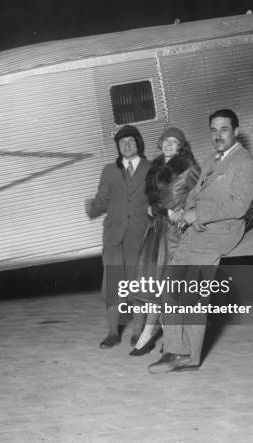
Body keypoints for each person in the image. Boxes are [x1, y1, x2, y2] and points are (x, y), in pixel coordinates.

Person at [148, 109, 253, 372]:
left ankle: (183, 354)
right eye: (213, 130)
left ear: (236, 131)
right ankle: (181, 352)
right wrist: (180, 211)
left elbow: (238, 206)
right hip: (195, 230)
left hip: (219, 232)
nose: (218, 135)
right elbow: (193, 194)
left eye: (224, 129)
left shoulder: (245, 163)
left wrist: (195, 214)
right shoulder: (211, 160)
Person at [129, 127, 200, 356]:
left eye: (174, 142)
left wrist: (172, 210)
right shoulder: (155, 167)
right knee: (156, 286)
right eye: (166, 141)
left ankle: (152, 336)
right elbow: (154, 200)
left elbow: (189, 197)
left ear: (180, 146)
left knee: (169, 287)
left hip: (176, 232)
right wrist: (155, 207)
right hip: (158, 231)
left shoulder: (188, 167)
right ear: (160, 144)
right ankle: (158, 337)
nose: (169, 145)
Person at [85, 125, 151, 348]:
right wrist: (92, 208)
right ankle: (113, 333)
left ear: (138, 143)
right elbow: (102, 199)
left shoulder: (151, 168)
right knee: (113, 286)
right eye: (122, 142)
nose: (126, 145)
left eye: (131, 141)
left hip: (140, 236)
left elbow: (158, 200)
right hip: (113, 237)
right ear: (118, 147)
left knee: (140, 286)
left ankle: (138, 333)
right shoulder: (108, 170)